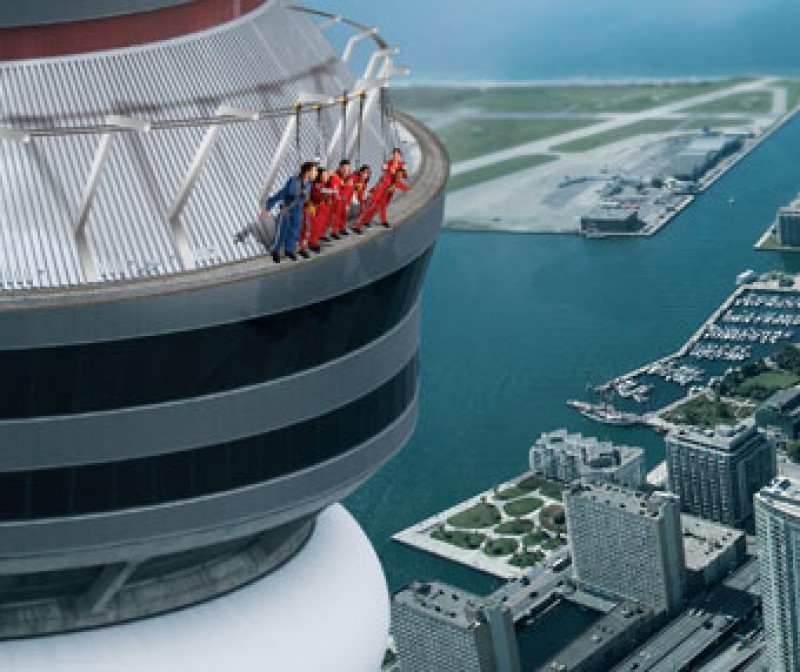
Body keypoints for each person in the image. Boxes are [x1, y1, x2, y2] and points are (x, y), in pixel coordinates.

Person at [266, 161, 317, 263]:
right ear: (307, 172)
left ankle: (288, 250)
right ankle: (275, 250)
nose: (316, 173)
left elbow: (305, 198)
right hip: (287, 211)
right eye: (315, 171)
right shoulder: (293, 182)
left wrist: (309, 204)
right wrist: (268, 207)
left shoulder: (310, 184)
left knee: (294, 232)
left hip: (298, 212)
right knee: (282, 232)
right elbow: (281, 194)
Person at [308, 167, 334, 254]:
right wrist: (328, 193)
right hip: (317, 207)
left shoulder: (322, 184)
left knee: (321, 224)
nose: (327, 176)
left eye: (327, 175)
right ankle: (312, 243)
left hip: (321, 206)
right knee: (316, 226)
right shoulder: (317, 185)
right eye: (325, 175)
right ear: (319, 176)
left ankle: (317, 238)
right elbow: (319, 194)